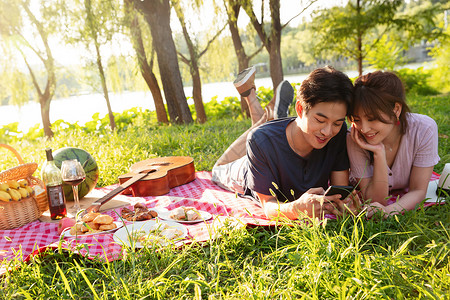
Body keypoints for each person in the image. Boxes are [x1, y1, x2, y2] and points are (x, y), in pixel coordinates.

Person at [212, 65, 358, 220]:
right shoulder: (262, 142)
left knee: (263, 134)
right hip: (242, 171)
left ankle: (268, 118)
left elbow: (340, 191)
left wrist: (345, 204)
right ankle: (258, 110)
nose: (328, 132)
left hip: (275, 138)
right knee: (221, 166)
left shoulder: (338, 132)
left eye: (336, 123)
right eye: (320, 120)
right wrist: (297, 208)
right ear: (300, 109)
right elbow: (268, 206)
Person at [347, 70, 440, 218]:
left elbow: (418, 190)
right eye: (356, 119)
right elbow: (375, 200)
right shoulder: (353, 137)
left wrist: (389, 211)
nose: (363, 128)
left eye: (372, 119)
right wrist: (378, 152)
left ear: (396, 109)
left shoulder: (424, 129)